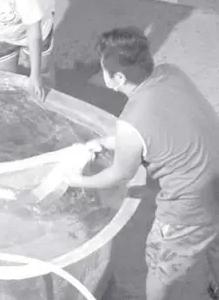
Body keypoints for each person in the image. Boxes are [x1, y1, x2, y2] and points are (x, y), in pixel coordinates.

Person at [63, 27, 219, 300]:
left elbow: (119, 175)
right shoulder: (172, 73)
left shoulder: (130, 121)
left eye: (103, 69)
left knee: (161, 267)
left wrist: (76, 180)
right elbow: (161, 124)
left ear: (118, 77)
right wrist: (108, 142)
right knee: (213, 240)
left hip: (188, 207)